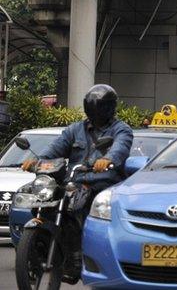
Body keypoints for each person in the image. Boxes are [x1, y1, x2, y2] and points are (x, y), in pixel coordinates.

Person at [21, 84, 133, 277]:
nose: (94, 109)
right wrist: (37, 161)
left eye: (97, 105)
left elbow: (120, 148)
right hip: (74, 181)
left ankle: (77, 256)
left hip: (102, 184)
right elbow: (55, 148)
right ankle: (46, 244)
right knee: (47, 200)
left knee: (78, 206)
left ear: (108, 107)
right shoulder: (75, 129)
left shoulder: (120, 130)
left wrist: (107, 160)